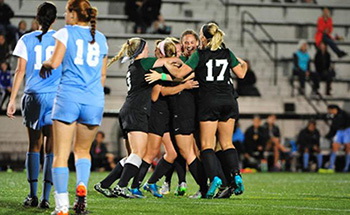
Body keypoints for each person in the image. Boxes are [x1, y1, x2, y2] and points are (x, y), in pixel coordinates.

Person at [162, 22, 247, 198]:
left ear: (203, 38)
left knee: (206, 145)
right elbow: (242, 74)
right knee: (227, 143)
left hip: (209, 102)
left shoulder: (200, 55)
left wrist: (164, 65)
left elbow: (179, 75)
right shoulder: (226, 52)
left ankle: (215, 177)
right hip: (229, 101)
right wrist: (244, 64)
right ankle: (236, 175)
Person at [39, 0, 108, 214]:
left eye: (67, 12)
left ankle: (62, 207)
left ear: (73, 14)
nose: (64, 15)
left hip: (69, 96)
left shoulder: (65, 32)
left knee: (60, 154)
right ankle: (82, 190)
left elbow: (55, 62)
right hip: (94, 99)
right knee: (82, 151)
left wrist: (45, 64)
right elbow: (103, 76)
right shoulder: (102, 38)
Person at [6, 2, 61, 209]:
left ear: (36, 18)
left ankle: (32, 195)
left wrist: (12, 100)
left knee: (34, 145)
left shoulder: (26, 39)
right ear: (55, 19)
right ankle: (46, 198)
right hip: (55, 97)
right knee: (51, 148)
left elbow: (19, 71)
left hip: (34, 95)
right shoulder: (60, 40)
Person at [326, 105, 350, 172]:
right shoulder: (334, 117)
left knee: (348, 147)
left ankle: (347, 167)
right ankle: (331, 166)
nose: (329, 112)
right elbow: (333, 128)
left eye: (329, 110)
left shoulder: (344, 114)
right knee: (334, 147)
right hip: (339, 132)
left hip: (347, 130)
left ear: (333, 109)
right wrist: (328, 136)